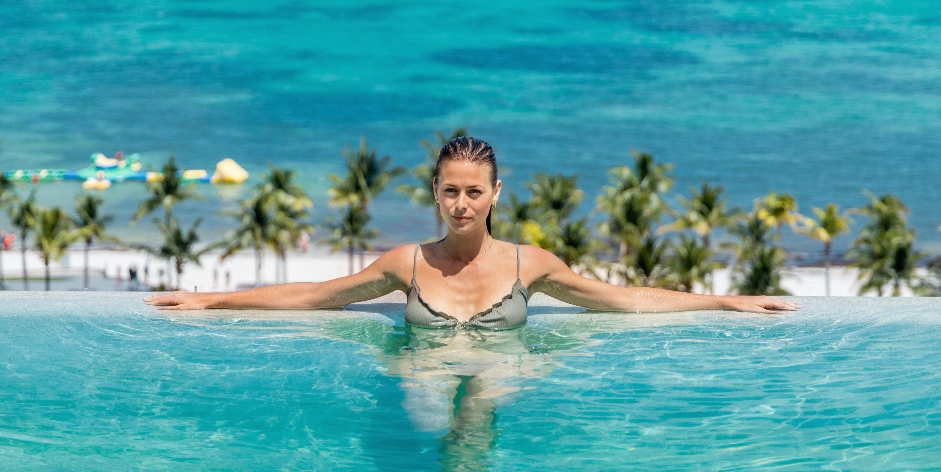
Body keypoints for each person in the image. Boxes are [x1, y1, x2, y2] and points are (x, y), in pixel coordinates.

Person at [148, 137, 799, 320]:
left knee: (482, 401)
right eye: (450, 192)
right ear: (435, 193)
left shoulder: (530, 264)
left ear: (495, 197)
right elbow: (315, 294)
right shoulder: (406, 263)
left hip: (499, 373)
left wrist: (724, 299)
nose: (462, 205)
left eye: (474, 194)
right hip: (423, 375)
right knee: (430, 407)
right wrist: (209, 299)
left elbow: (623, 298)